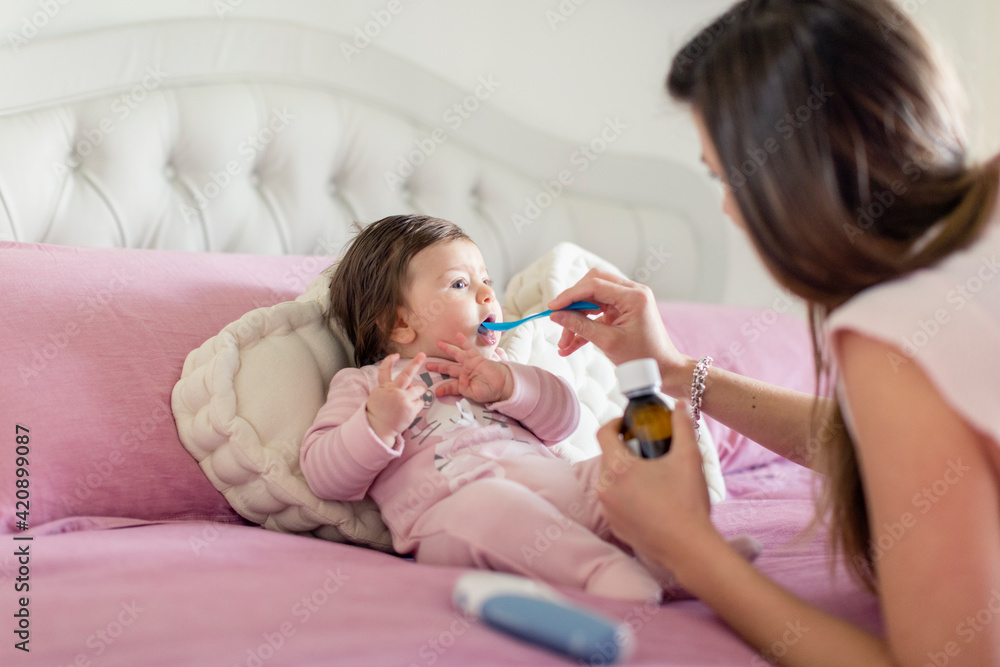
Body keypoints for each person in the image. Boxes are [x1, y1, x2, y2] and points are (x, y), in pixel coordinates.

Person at [546, 0, 1000, 664]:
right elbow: (914, 450)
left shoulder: (892, 326)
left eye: (720, 173)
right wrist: (677, 373)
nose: (728, 206)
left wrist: (689, 547)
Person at [299, 214, 667, 601]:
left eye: (487, 281)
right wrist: (377, 422)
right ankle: (599, 571)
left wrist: (510, 385)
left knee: (624, 469)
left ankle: (682, 559)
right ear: (399, 323)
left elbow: (565, 420)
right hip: (457, 513)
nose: (488, 295)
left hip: (556, 486)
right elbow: (324, 476)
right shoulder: (369, 385)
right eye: (460, 284)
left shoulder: (502, 371)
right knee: (489, 506)